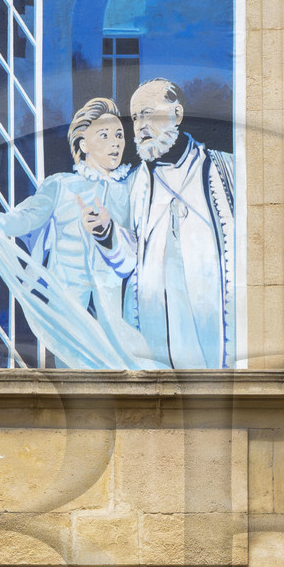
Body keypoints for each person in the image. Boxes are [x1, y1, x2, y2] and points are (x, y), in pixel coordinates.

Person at [85, 80, 235, 369]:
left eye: (148, 114)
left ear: (176, 115)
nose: (140, 125)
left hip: (217, 332)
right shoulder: (133, 186)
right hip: (156, 338)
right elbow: (128, 263)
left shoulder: (225, 170)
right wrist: (107, 233)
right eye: (136, 117)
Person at [0, 95, 135, 314]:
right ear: (83, 144)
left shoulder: (129, 190)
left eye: (119, 135)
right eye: (104, 135)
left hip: (114, 310)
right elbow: (27, 218)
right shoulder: (61, 184)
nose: (115, 143)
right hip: (66, 304)